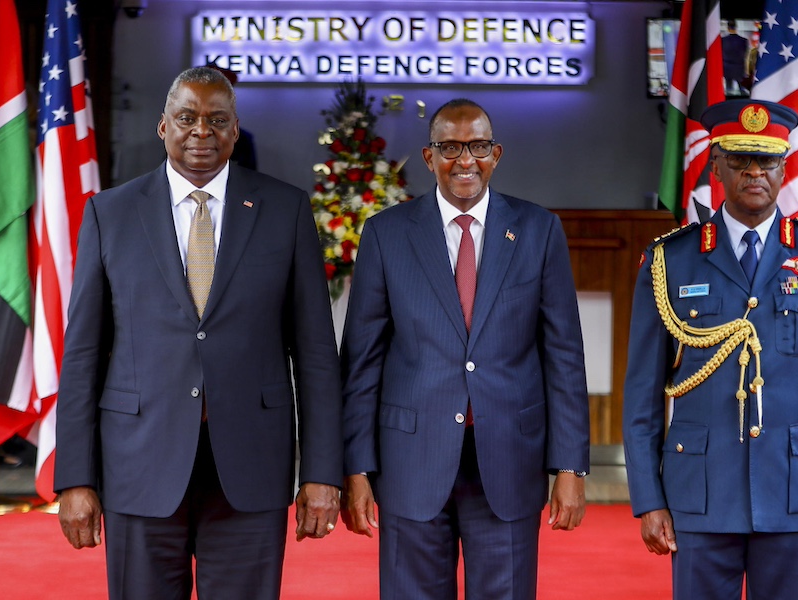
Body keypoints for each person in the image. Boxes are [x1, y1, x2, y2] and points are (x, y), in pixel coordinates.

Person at [54, 67, 342, 599]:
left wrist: (321, 473)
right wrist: (75, 477)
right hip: (138, 464)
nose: (201, 132)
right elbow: (83, 356)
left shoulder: (286, 210)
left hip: (251, 466)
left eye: (217, 120)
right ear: (163, 127)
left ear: (236, 130)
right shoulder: (109, 213)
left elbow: (316, 354)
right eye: (187, 118)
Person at [340, 98, 591, 599]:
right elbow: (361, 361)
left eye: (477, 146)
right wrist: (355, 466)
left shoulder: (540, 230)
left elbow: (563, 356)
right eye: (449, 147)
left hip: (509, 460)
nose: (465, 160)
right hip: (409, 462)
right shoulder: (386, 234)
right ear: (429, 158)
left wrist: (570, 465)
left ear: (496, 153)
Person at [623, 98, 798, 599]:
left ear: (784, 167)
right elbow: (641, 396)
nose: (754, 172)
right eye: (739, 160)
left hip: (794, 490)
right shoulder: (670, 260)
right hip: (701, 493)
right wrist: (648, 498)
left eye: (767, 161)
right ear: (716, 165)